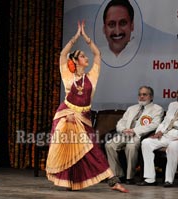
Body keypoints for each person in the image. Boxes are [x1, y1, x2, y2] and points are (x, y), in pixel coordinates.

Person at [45, 20, 128, 193]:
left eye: (85, 55)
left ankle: (113, 182)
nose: (86, 58)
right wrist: (75, 38)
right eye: (82, 56)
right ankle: (70, 181)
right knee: (66, 149)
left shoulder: (92, 76)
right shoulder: (68, 76)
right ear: (75, 61)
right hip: (66, 116)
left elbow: (98, 55)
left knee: (92, 150)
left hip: (84, 118)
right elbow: (62, 55)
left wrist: (86, 38)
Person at [105, 86, 164, 184]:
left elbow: (154, 125)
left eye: (144, 94)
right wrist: (123, 130)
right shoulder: (131, 108)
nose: (141, 97)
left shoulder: (157, 109)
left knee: (131, 147)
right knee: (109, 145)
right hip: (125, 134)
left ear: (151, 96)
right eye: (140, 94)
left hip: (139, 135)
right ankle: (118, 175)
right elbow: (121, 122)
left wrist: (134, 131)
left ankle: (129, 177)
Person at [100, 0, 135, 67]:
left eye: (123, 23)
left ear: (132, 25)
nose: (117, 32)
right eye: (111, 24)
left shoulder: (146, 55)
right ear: (104, 29)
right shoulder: (93, 57)